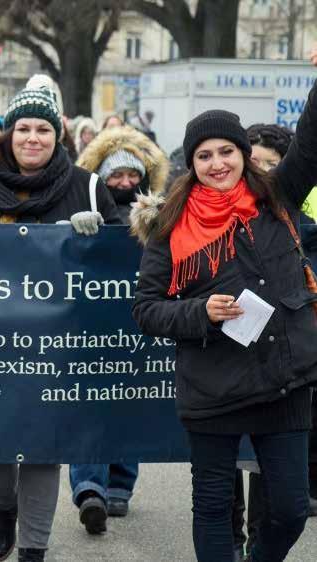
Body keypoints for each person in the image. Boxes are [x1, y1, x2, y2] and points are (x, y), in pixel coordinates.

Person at [131, 55, 317, 562]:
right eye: (205, 155)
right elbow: (146, 309)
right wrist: (200, 313)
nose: (218, 163)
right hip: (212, 385)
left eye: (227, 151)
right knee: (214, 510)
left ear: (244, 154)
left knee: (290, 510)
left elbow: (311, 141)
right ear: (191, 163)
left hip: (283, 380)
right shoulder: (170, 226)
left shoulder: (278, 197)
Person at [0, 85, 121, 562]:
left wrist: (102, 232)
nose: (33, 138)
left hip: (57, 347)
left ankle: (33, 550)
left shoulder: (86, 185)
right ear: (9, 132)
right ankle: (5, 507)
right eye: (24, 128)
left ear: (58, 135)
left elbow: (123, 263)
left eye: (44, 129)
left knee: (44, 447)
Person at [71, 124, 168, 534]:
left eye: (132, 175)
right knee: (88, 401)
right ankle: (89, 487)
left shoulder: (162, 213)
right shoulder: (83, 210)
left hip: (137, 326)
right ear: (101, 178)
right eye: (116, 175)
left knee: (129, 399)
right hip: (89, 325)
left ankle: (120, 486)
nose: (125, 183)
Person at [227, 123, 317, 560]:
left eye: (272, 165)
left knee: (272, 476)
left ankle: (257, 544)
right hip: (222, 366)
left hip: (278, 363)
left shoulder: (296, 221)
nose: (262, 171)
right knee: (223, 470)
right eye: (254, 162)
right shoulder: (204, 213)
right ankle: (229, 543)